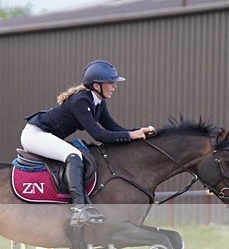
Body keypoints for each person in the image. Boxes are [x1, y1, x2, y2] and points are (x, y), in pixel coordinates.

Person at [21, 60, 156, 226]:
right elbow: (98, 135)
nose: (115, 86)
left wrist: (138, 132)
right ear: (97, 85)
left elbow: (114, 128)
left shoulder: (99, 103)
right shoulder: (80, 101)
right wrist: (130, 135)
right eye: (111, 83)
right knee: (74, 155)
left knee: (78, 154)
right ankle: (79, 209)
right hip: (35, 135)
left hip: (47, 135)